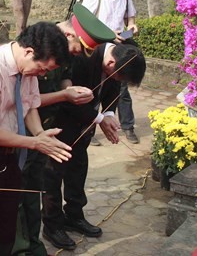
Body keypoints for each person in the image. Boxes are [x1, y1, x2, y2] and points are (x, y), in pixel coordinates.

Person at [0, 22, 72, 256]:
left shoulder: (26, 69)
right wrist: (34, 142)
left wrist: (40, 134)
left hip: (11, 154)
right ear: (28, 51)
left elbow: (29, 107)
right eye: (42, 69)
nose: (43, 74)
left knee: (5, 227)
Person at [12, 4, 116, 256]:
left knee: (43, 181)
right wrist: (65, 95)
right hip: (28, 128)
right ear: (69, 36)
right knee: (35, 186)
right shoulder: (39, 49)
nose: (77, 54)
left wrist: (71, 91)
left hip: (50, 125)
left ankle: (42, 236)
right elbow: (29, 100)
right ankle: (35, 236)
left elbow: (65, 77)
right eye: (79, 48)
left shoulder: (65, 52)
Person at [41, 41, 146, 251]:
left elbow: (114, 90)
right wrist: (99, 119)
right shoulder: (82, 58)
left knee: (78, 170)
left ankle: (74, 215)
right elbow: (70, 99)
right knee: (53, 174)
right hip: (60, 124)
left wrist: (107, 114)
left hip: (84, 128)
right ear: (110, 62)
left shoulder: (119, 62)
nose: (118, 80)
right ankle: (52, 225)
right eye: (118, 75)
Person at [82, 0, 140, 145]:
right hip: (98, 49)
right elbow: (84, 22)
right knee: (93, 89)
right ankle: (88, 130)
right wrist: (106, 33)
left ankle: (127, 127)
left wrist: (131, 26)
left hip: (120, 48)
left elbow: (130, 17)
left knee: (121, 88)